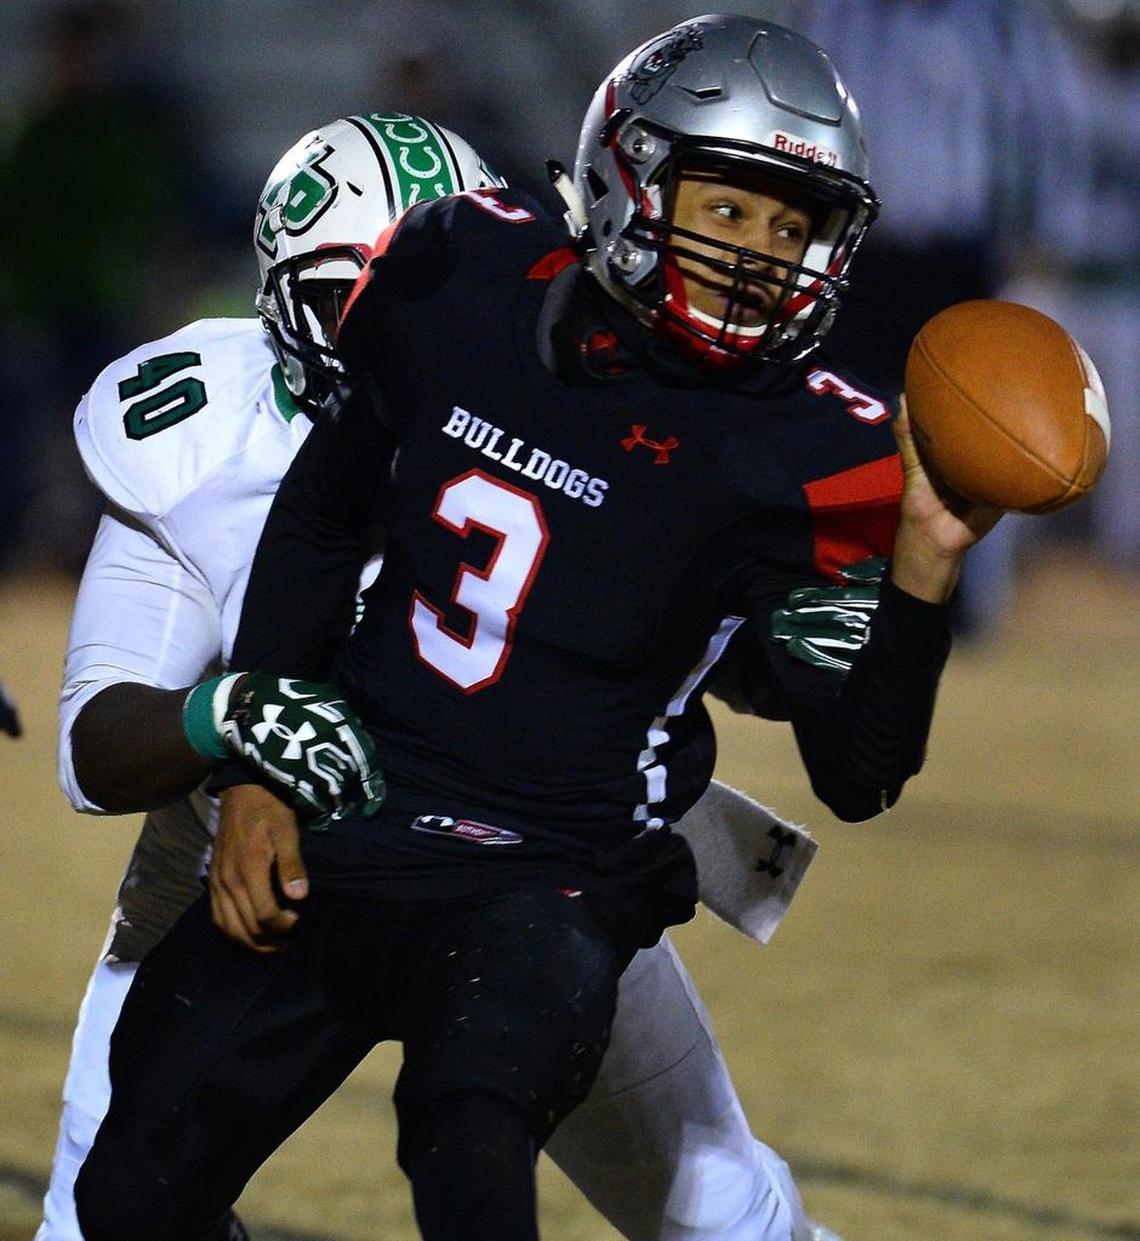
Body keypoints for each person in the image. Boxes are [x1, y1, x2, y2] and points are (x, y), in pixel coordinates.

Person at [77, 16, 999, 1241]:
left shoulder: (822, 448)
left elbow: (861, 773)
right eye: (729, 210)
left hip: (554, 867)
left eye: (795, 227)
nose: (763, 257)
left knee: (472, 1131)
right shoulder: (458, 269)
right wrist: (254, 780)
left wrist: (924, 566)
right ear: (626, 175)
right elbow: (319, 517)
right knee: (129, 1184)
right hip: (360, 808)